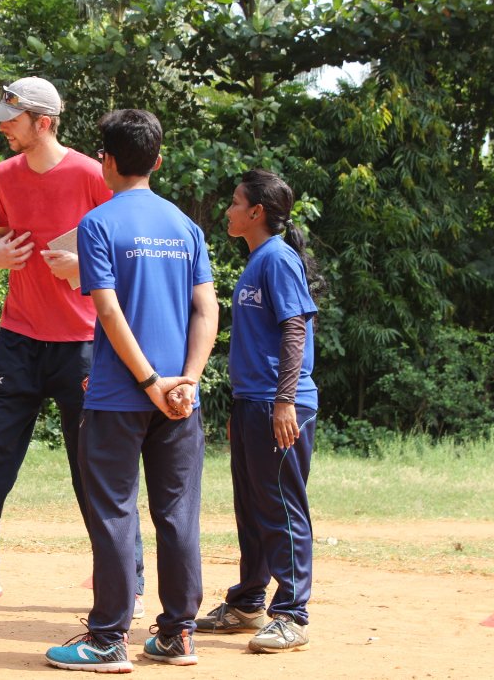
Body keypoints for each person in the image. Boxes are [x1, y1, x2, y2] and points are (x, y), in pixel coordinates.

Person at [0, 76, 147, 616]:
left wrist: (84, 266)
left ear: (45, 122)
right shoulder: (3, 175)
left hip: (85, 344)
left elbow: (128, 245)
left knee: (97, 467)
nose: (3, 127)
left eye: (12, 119)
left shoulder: (91, 174)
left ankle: (126, 575)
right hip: (18, 340)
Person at [44, 109, 218, 672]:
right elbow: (206, 308)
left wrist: (148, 381)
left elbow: (109, 309)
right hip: (180, 401)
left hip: (122, 396)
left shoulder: (99, 223)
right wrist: (185, 379)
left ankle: (108, 639)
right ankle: (178, 635)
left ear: (107, 162)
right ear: (159, 160)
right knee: (177, 514)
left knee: (115, 512)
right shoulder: (186, 226)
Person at [193, 169, 324, 654]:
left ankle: (292, 614)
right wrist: (245, 403)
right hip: (255, 403)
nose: (227, 209)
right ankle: (248, 602)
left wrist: (284, 400)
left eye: (234, 201)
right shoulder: (257, 260)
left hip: (281, 404)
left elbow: (295, 331)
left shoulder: (278, 259)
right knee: (251, 508)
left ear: (256, 212)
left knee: (282, 510)